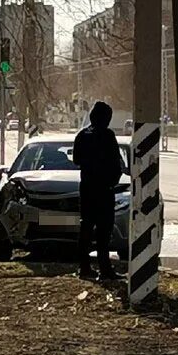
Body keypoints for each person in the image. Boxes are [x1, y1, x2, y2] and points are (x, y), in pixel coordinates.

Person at [72, 100, 124, 280]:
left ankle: (84, 268)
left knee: (86, 228)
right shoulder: (108, 135)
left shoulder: (82, 135)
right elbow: (116, 162)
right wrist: (112, 180)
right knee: (104, 230)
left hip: (87, 188)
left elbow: (76, 160)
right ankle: (105, 268)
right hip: (104, 189)